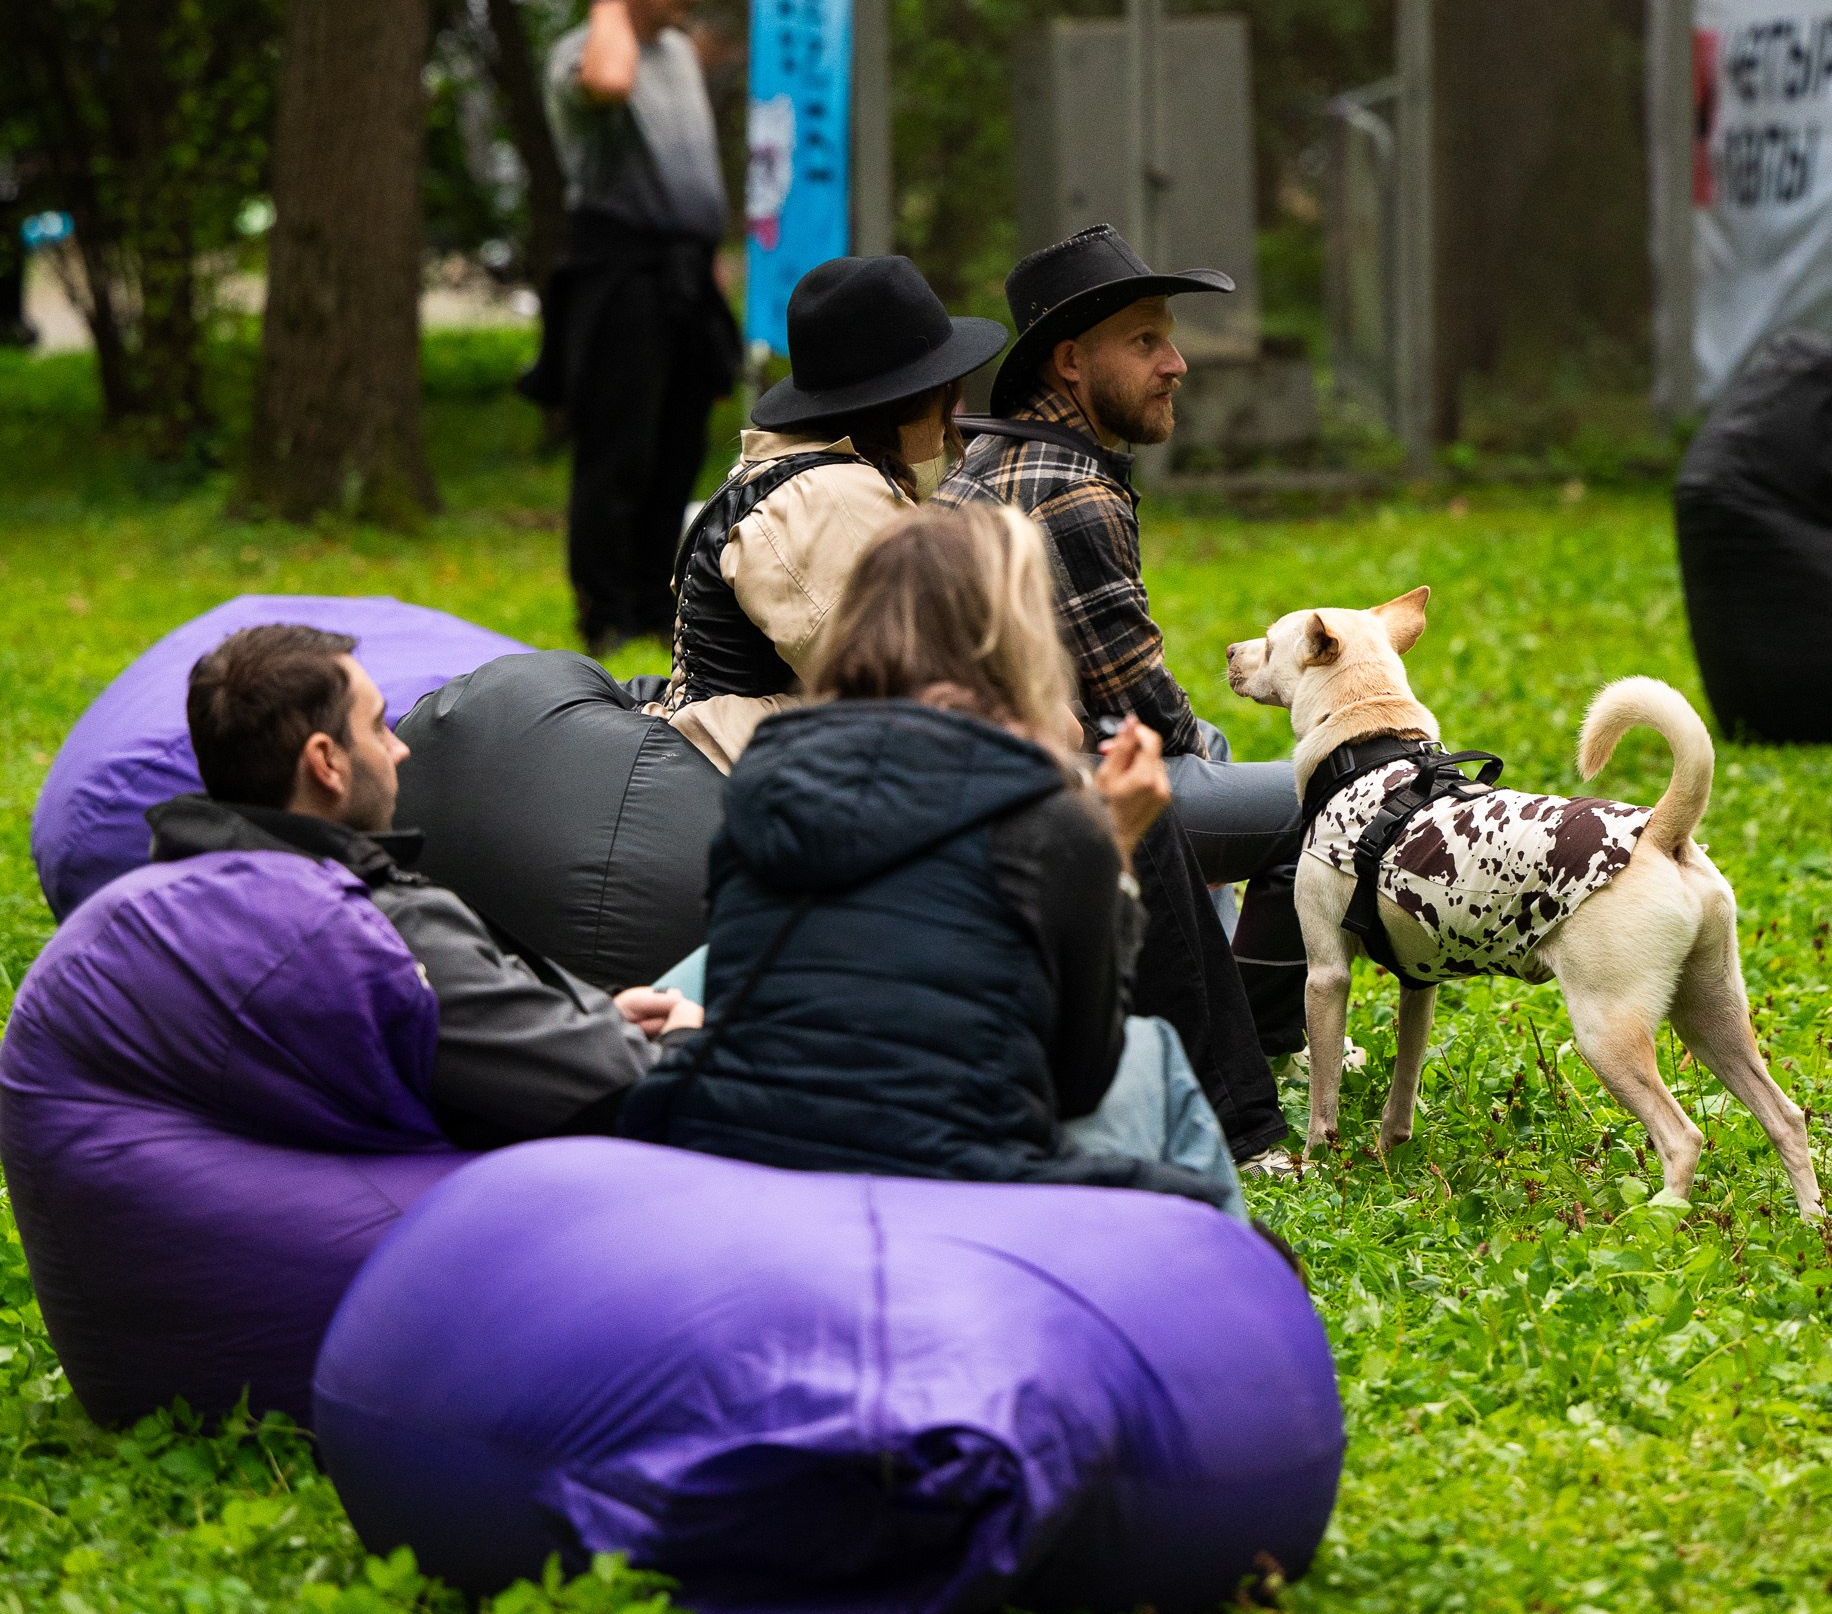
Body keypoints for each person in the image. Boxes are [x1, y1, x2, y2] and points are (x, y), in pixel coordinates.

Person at [623, 507, 1245, 1213]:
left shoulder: (762, 781)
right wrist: (1117, 855)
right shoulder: (1052, 823)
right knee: (1154, 1058)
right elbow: (1079, 1078)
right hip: (955, 1179)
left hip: (746, 1149)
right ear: (1017, 639)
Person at [935, 223, 1308, 1072]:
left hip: (977, 781)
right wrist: (1197, 740)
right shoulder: (1069, 488)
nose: (1175, 364)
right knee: (1327, 800)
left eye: (1168, 341)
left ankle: (1215, 1021)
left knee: (1204, 760)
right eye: (1146, 341)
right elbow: (1144, 706)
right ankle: (1253, 1042)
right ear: (1070, 363)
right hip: (1036, 797)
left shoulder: (1000, 458)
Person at [149, 623, 678, 1150]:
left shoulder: (181, 882)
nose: (399, 749)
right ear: (326, 763)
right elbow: (639, 1086)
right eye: (378, 727)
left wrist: (598, 1013)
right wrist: (685, 1033)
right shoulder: (380, 934)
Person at [657, 253, 1006, 772]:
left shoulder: (793, 474)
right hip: (741, 779)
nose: (950, 427)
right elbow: (919, 700)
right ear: (910, 401)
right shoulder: (829, 500)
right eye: (944, 396)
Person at [522, 0, 743, 656]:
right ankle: (605, 612)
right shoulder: (582, 54)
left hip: (684, 273)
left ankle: (657, 604)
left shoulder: (678, 53)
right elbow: (611, 82)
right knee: (619, 450)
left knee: (678, 445)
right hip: (619, 274)